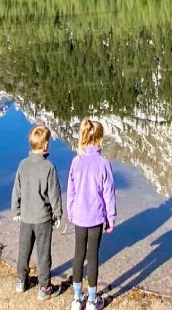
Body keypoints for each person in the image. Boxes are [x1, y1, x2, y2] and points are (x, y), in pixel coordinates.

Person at [66, 118, 117, 310]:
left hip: (79, 216)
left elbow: (71, 190)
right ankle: (93, 300)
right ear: (100, 139)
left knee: (78, 255)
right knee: (92, 256)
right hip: (96, 218)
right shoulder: (103, 163)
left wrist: (70, 212)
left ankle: (77, 298)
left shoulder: (76, 161)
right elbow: (109, 194)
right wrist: (110, 218)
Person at [12, 124, 64, 300]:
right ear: (46, 145)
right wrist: (57, 214)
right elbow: (54, 194)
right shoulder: (48, 167)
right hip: (43, 219)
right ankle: (45, 287)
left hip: (26, 217)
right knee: (43, 253)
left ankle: (21, 281)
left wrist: (16, 210)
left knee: (24, 249)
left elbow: (16, 190)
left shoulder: (22, 165)